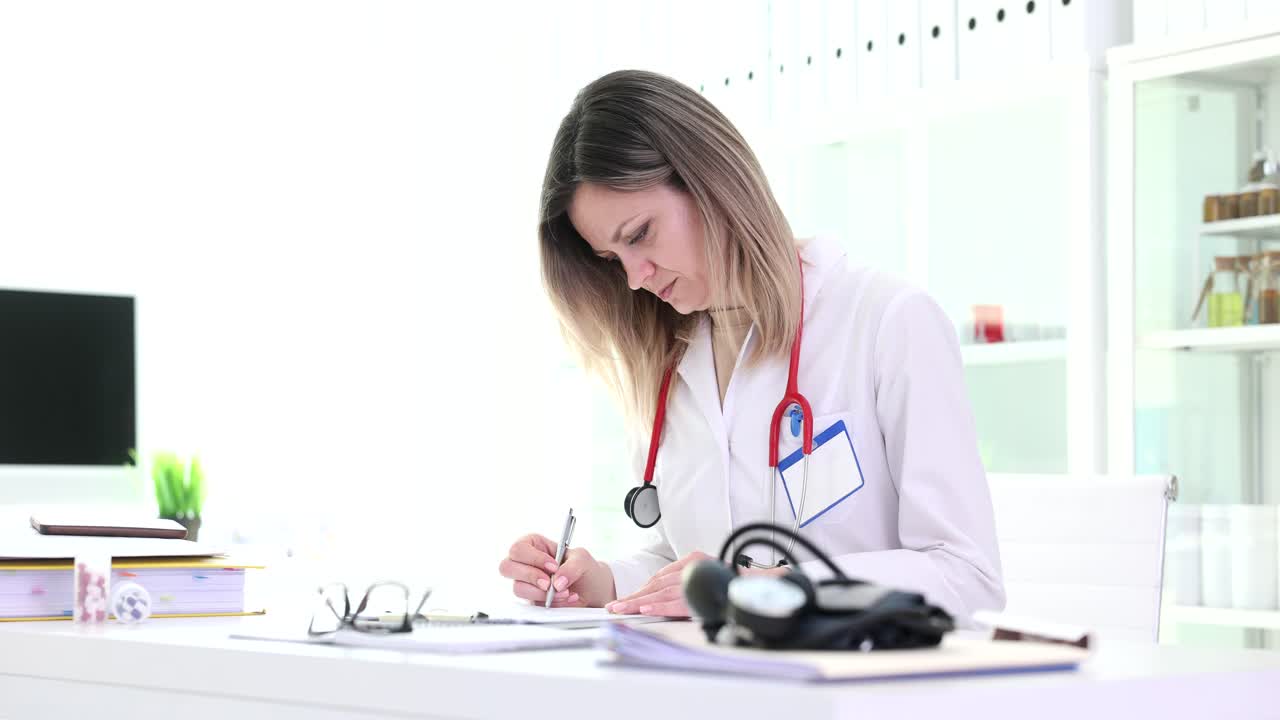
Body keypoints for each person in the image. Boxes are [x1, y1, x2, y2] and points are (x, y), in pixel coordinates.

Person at [497, 69, 1004, 624]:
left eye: (639, 235)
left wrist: (770, 588)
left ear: (710, 180)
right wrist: (601, 581)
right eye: (612, 260)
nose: (636, 278)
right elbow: (687, 562)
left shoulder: (887, 321)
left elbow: (966, 574)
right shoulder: (668, 361)